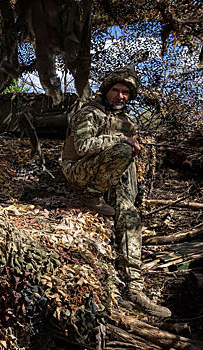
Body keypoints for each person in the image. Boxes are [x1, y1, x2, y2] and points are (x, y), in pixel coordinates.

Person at [60, 67, 171, 318]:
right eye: (115, 90)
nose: (120, 96)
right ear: (106, 90)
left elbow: (128, 162)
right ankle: (92, 195)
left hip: (111, 179)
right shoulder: (90, 112)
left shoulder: (127, 121)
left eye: (125, 93)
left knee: (129, 216)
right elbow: (83, 146)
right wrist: (120, 139)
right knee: (123, 149)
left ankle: (134, 287)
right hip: (80, 172)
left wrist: (131, 196)